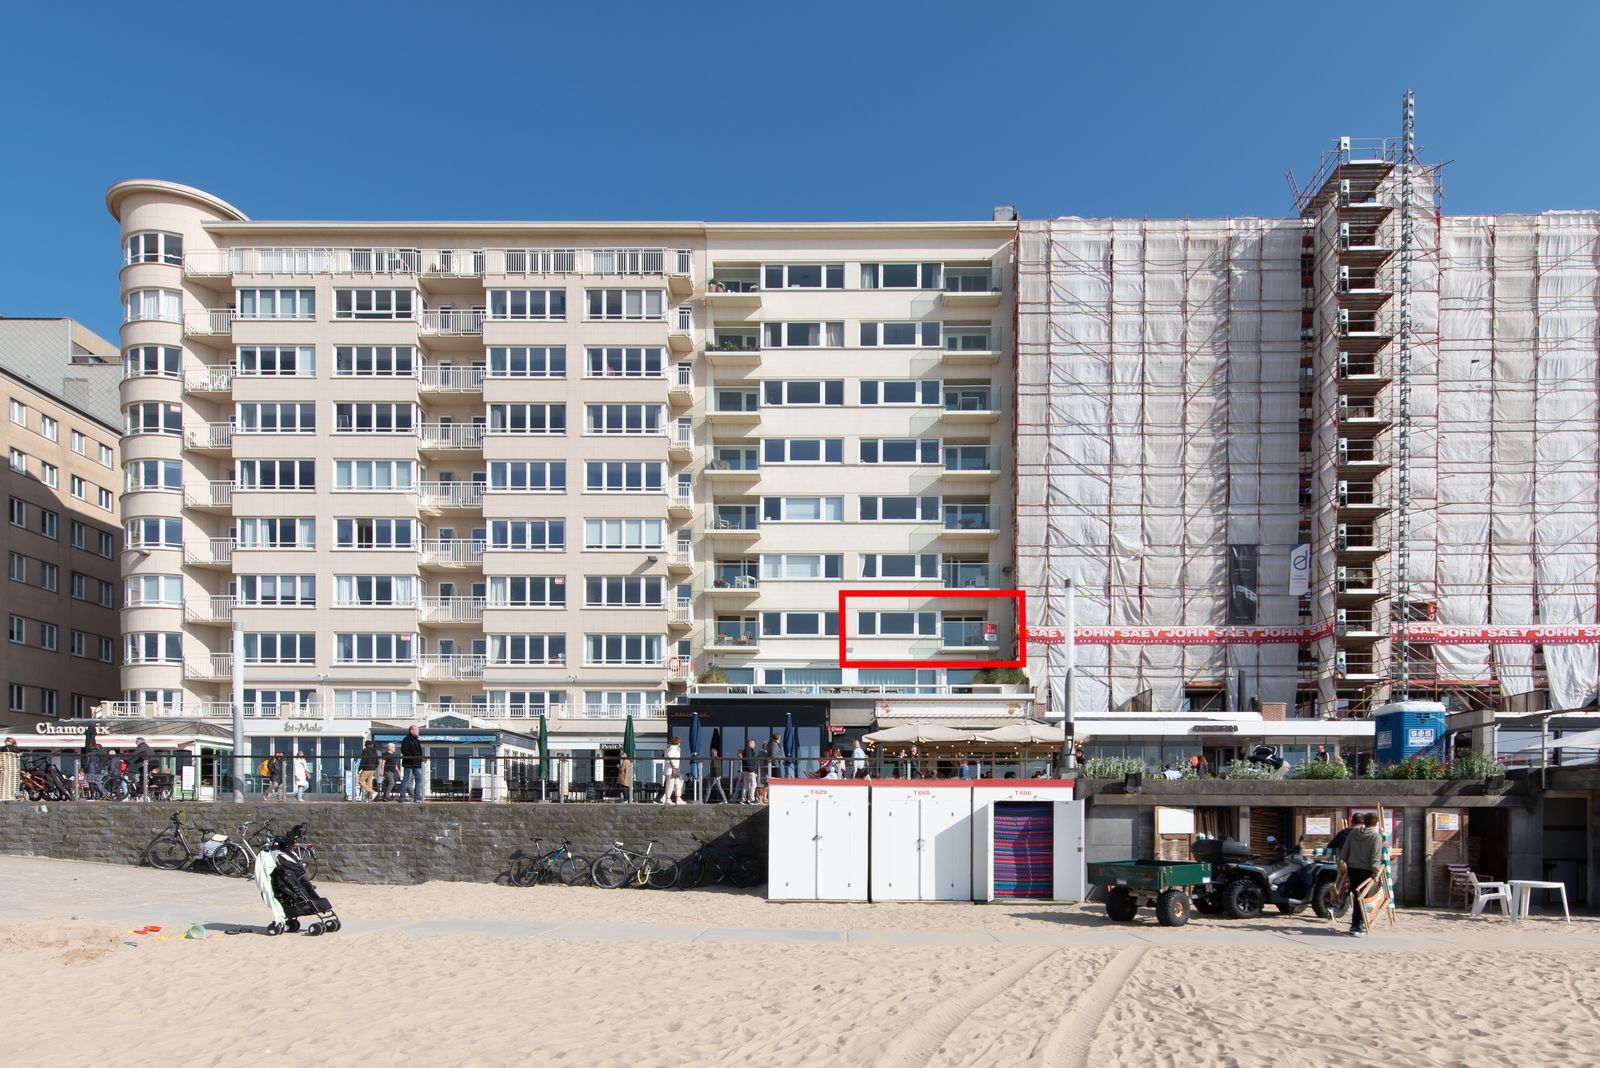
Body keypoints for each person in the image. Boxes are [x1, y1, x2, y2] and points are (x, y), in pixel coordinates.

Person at [1338, 812, 1385, 937]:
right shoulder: (1375, 837)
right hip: (1367, 871)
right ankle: (1358, 924)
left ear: (1364, 822)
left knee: (1357, 896)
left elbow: (1344, 851)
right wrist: (1376, 874)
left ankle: (1356, 923)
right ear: (1376, 823)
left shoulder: (1353, 834)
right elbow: (1375, 857)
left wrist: (1342, 862)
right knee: (1364, 898)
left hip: (1353, 869)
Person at [399, 725, 425, 803]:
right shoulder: (406, 739)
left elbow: (418, 751)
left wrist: (420, 758)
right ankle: (402, 797)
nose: (418, 731)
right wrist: (412, 758)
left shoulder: (417, 740)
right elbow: (404, 751)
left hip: (417, 764)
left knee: (419, 779)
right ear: (411, 731)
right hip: (409, 763)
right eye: (417, 730)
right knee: (407, 779)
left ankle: (417, 797)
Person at [740, 739, 759, 804]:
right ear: (749, 743)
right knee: (754, 785)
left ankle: (743, 800)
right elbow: (749, 761)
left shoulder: (747, 750)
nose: (754, 745)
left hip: (746, 770)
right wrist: (752, 770)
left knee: (746, 786)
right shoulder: (748, 750)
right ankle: (751, 799)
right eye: (753, 743)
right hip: (749, 771)